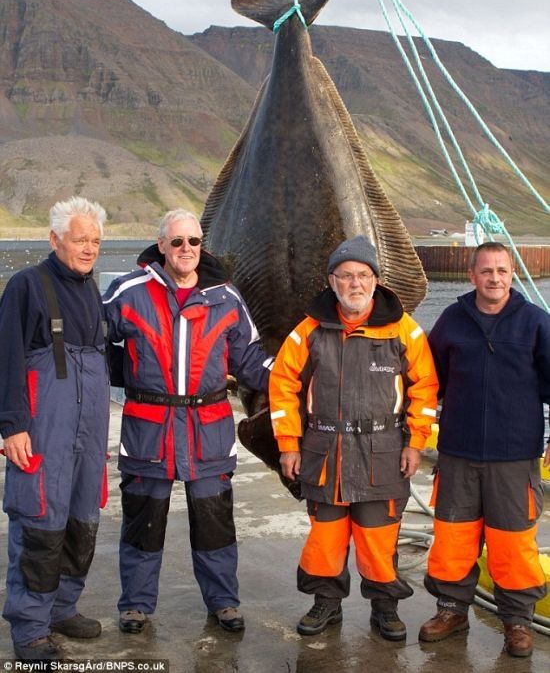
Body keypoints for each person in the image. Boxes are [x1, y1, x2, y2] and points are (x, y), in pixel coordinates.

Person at [103, 209, 271, 635]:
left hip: (207, 429)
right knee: (143, 522)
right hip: (148, 429)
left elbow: (250, 360)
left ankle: (223, 602)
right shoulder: (127, 290)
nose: (186, 250)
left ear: (202, 246)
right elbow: (93, 344)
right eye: (176, 242)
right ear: (161, 245)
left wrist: (302, 378)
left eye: (193, 242)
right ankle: (136, 605)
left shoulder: (227, 297)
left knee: (215, 522)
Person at [269, 235, 438, 639]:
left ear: (376, 281)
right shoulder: (307, 332)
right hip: (324, 452)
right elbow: (281, 385)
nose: (355, 284)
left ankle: (385, 607)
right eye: (346, 276)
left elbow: (425, 388)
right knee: (325, 539)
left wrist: (416, 442)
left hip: (383, 453)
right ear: (332, 282)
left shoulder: (405, 331)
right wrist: (289, 445)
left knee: (379, 540)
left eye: (363, 275)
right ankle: (326, 603)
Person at [419, 242, 550, 658]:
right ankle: (451, 609)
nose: (495, 278)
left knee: (513, 545)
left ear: (512, 275)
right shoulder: (452, 321)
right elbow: (427, 379)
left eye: (503, 271)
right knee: (453, 540)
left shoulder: (536, 323)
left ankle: (517, 621)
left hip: (515, 456)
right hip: (457, 452)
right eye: (487, 271)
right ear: (472, 276)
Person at [0, 197, 110, 662]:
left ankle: (63, 607)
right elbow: (6, 358)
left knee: (83, 518)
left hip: (89, 431)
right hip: (44, 428)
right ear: (54, 239)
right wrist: (12, 427)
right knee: (40, 522)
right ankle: (29, 629)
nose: (88, 249)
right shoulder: (26, 285)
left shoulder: (93, 289)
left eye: (95, 241)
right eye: (79, 239)